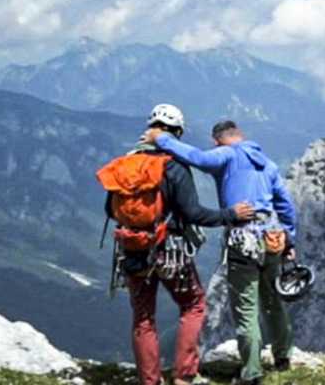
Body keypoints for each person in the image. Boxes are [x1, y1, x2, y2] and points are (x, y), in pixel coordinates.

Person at [104, 104, 256, 385]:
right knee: (194, 305)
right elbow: (194, 214)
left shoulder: (125, 164)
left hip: (133, 250)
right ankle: (184, 376)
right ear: (176, 133)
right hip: (170, 250)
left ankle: (149, 381)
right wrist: (230, 215)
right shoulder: (173, 166)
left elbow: (111, 211)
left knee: (143, 317)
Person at [143, 119, 298, 384]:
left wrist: (162, 139)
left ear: (217, 140)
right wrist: (290, 242)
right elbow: (286, 205)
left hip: (243, 239)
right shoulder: (268, 163)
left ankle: (251, 371)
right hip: (273, 237)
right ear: (241, 135)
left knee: (246, 307)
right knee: (273, 300)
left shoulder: (226, 155)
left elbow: (198, 158)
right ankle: (282, 357)